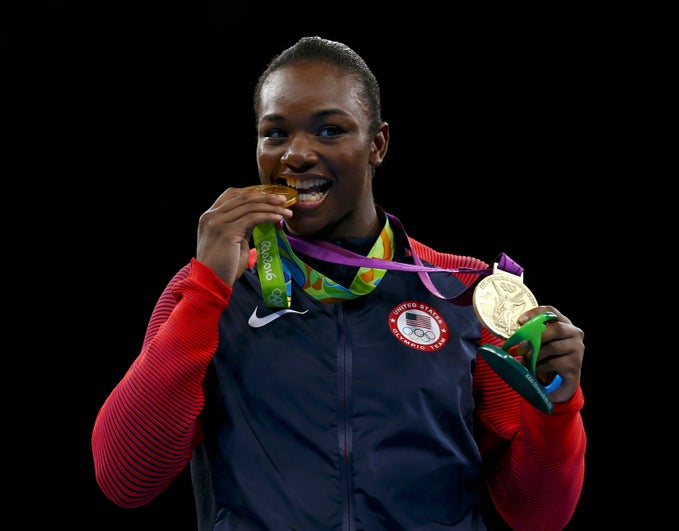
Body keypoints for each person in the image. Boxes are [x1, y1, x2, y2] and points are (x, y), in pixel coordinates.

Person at [92, 36, 587, 530]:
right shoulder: (211, 290)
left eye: (330, 130)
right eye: (275, 134)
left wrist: (557, 409)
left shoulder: (464, 293)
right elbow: (127, 478)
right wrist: (207, 290)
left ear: (377, 145)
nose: (297, 154)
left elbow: (537, 515)